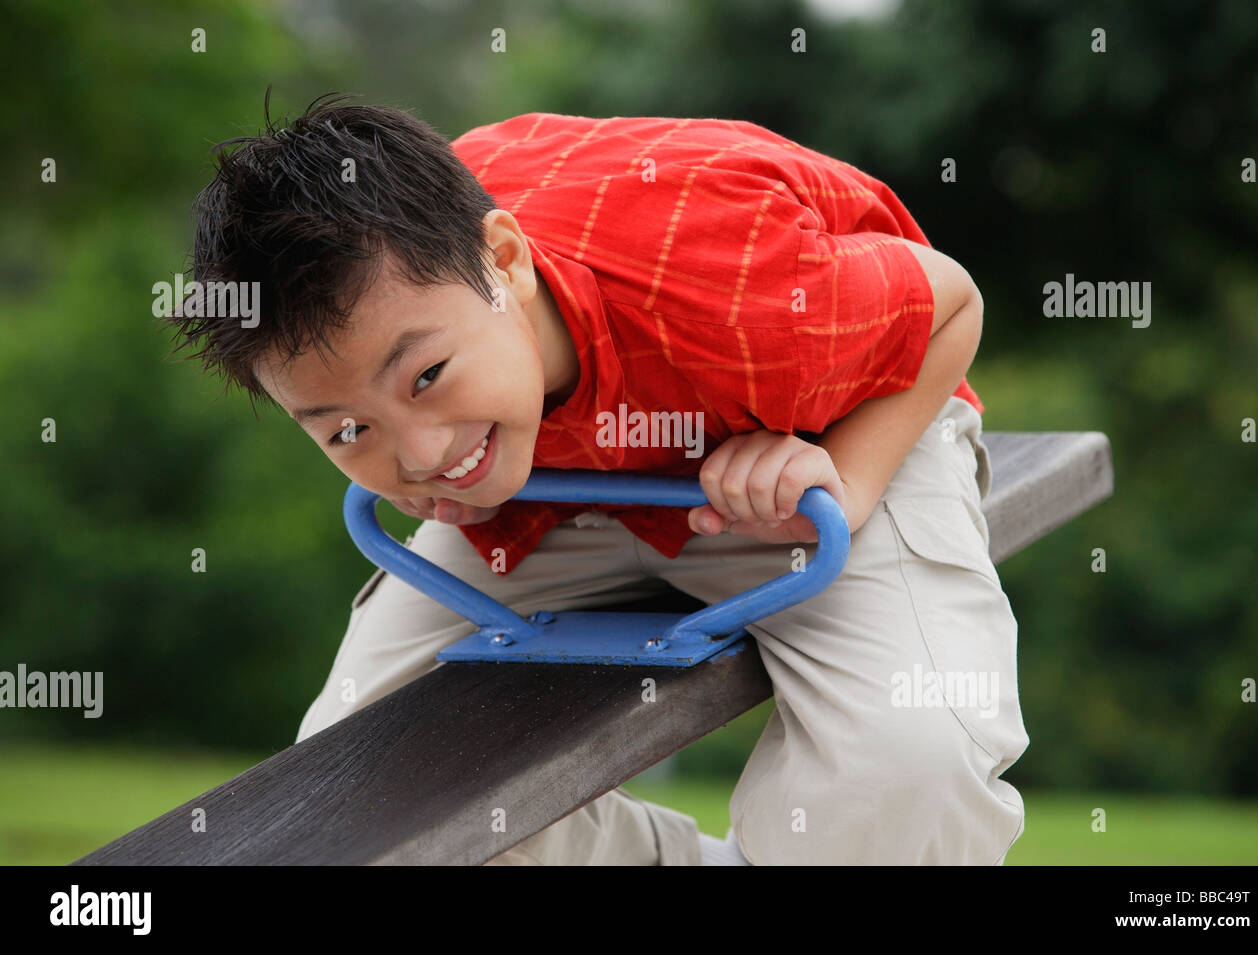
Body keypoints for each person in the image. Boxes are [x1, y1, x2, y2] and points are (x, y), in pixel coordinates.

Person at [163, 93, 1029, 865]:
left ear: (506, 262)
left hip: (806, 439)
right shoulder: (442, 370)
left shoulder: (742, 286)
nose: (421, 454)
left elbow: (952, 299)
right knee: (356, 799)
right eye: (349, 430)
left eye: (425, 376)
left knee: (916, 755)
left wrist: (849, 472)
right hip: (548, 486)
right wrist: (436, 434)